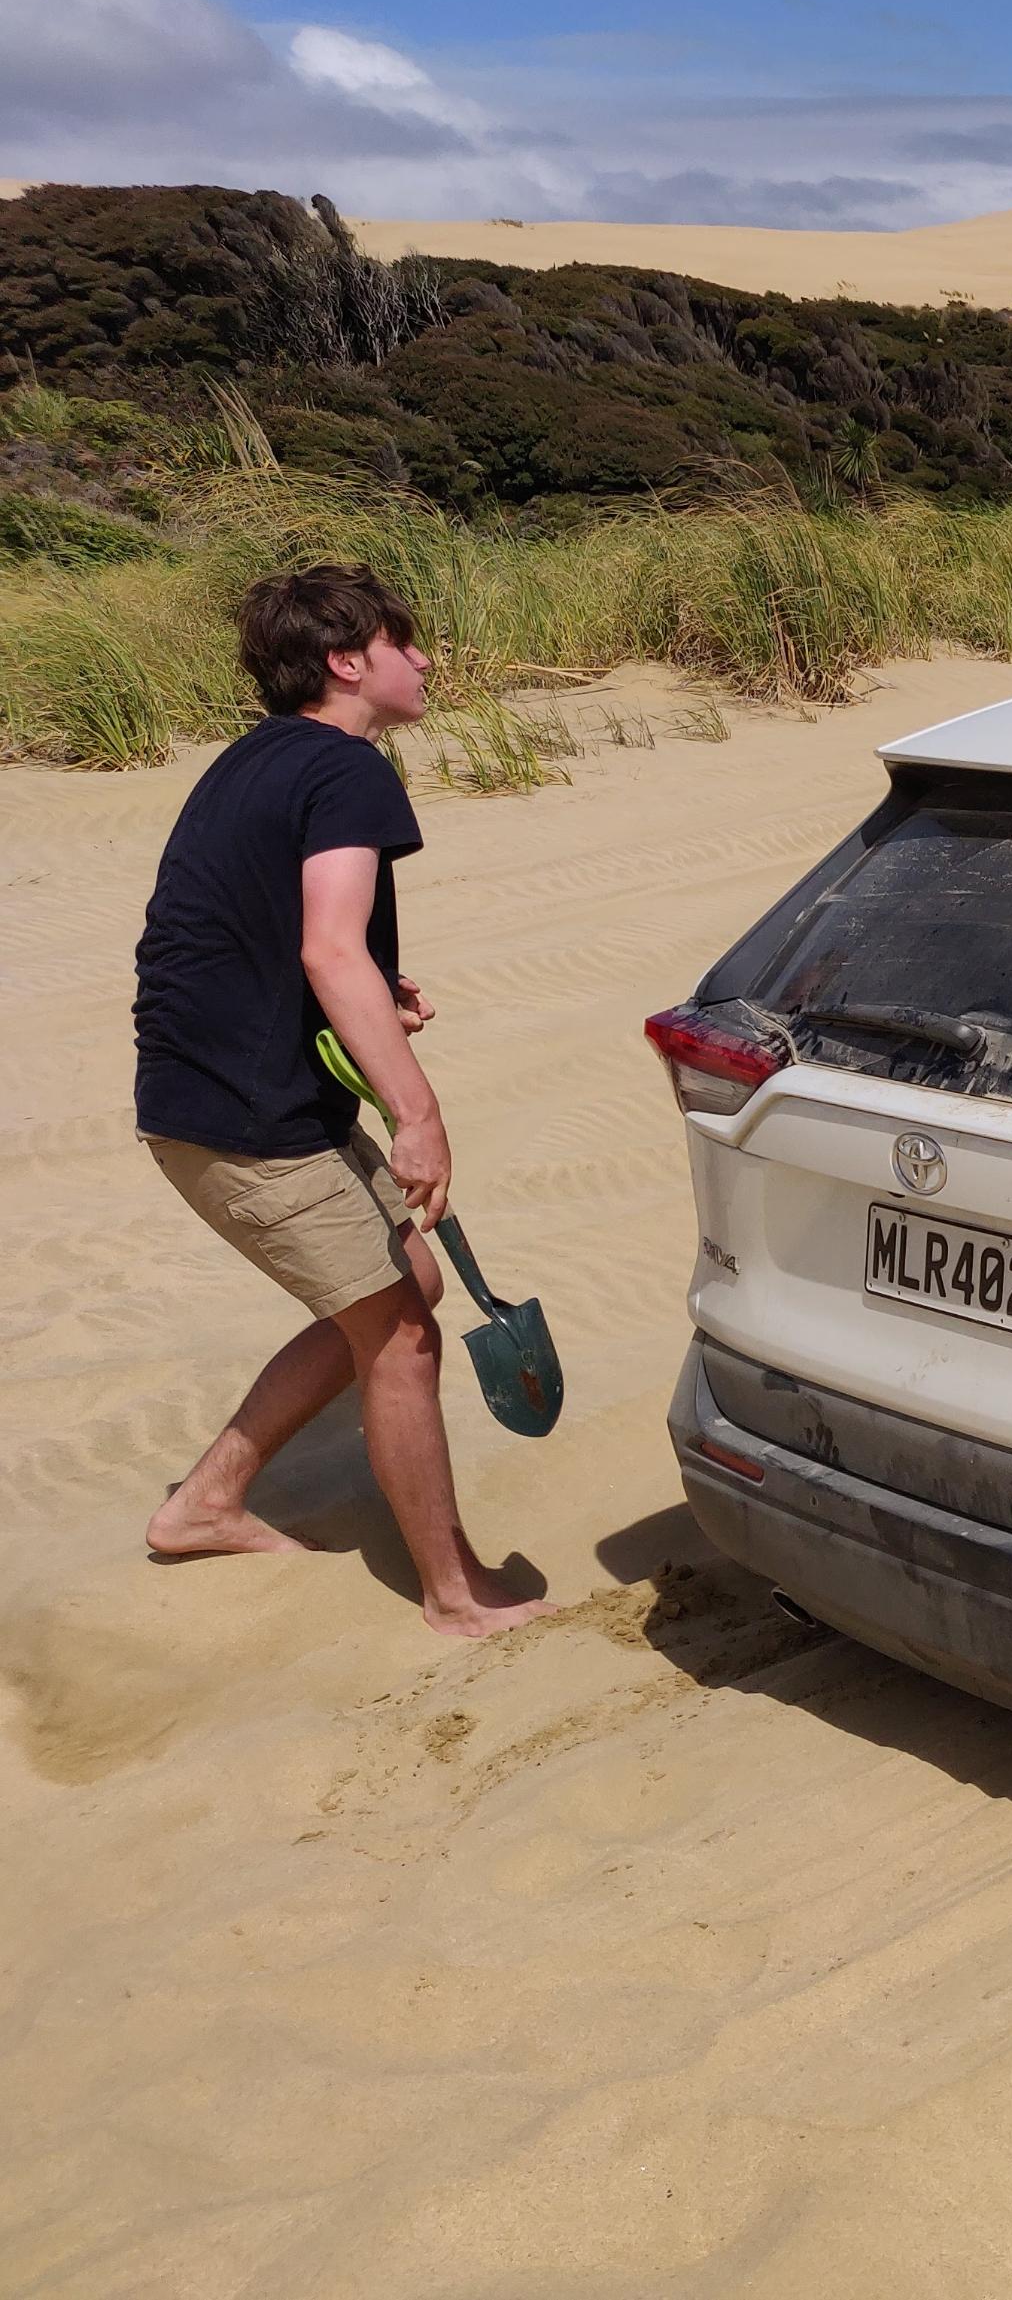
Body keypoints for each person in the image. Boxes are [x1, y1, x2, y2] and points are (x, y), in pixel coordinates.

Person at [132, 565, 550, 1635]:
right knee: (402, 1334)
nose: (425, 659)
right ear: (347, 662)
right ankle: (454, 1595)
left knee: (407, 1279)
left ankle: (206, 1502)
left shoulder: (260, 757)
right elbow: (327, 947)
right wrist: (417, 1114)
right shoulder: (349, 768)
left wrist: (373, 989)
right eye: (405, 642)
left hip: (216, 1092)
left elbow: (256, 926)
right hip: (247, 1120)